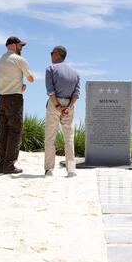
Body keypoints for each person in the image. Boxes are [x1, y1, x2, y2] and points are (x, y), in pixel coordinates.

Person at [0, 36, 34, 174]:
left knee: (2, 133)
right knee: (14, 133)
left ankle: (1, 165)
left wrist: (17, 85)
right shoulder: (19, 59)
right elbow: (31, 78)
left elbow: (6, 79)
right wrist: (21, 85)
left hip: (1, 99)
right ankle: (9, 166)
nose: (21, 48)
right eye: (20, 46)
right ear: (13, 45)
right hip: (14, 99)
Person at [44, 46, 80, 177]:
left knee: (50, 138)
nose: (50, 55)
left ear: (57, 54)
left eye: (52, 53)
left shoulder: (50, 69)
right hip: (69, 105)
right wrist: (69, 106)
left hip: (55, 104)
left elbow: (50, 90)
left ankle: (49, 170)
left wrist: (58, 106)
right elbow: (76, 93)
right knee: (69, 138)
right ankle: (71, 170)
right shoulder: (75, 72)